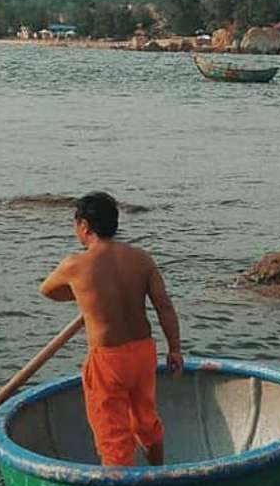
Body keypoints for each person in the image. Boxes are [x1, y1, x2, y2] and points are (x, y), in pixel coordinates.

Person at [40, 192, 182, 467]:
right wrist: (174, 348)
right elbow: (164, 306)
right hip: (143, 352)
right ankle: (157, 473)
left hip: (108, 360)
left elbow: (47, 290)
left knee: (113, 436)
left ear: (83, 226)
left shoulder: (75, 265)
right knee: (146, 420)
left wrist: (85, 296)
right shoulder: (141, 259)